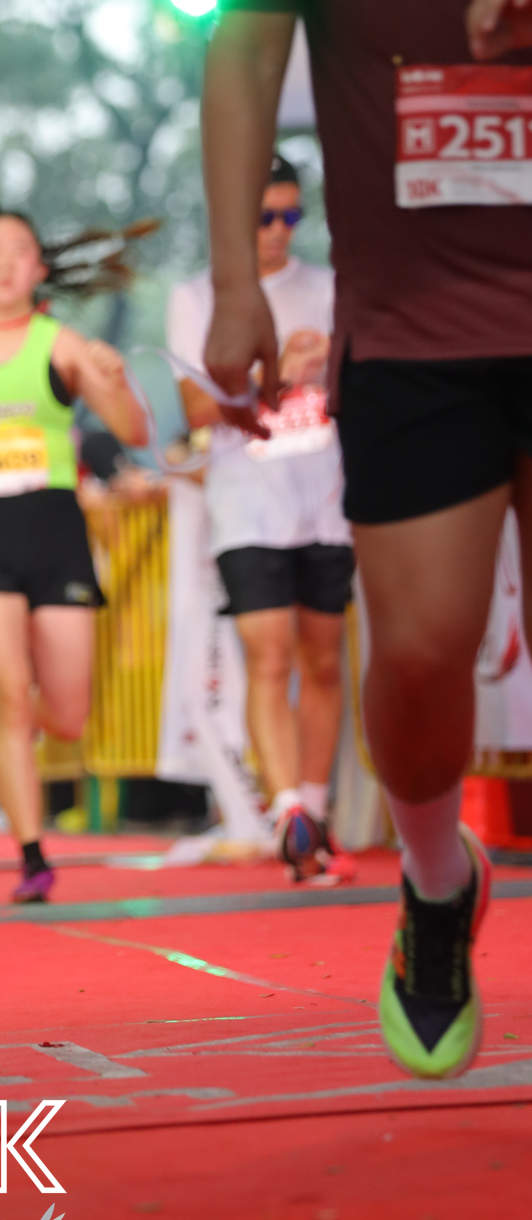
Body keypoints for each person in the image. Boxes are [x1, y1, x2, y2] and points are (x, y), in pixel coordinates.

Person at [202, 0, 532, 1080]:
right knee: (419, 654)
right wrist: (236, 283)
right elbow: (245, 45)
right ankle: (433, 877)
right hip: (418, 320)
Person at [0, 209, 148, 902]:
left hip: (55, 533)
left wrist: (114, 379)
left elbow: (134, 429)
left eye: (20, 249)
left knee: (67, 716)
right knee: (10, 697)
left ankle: (31, 779)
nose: (5, 262)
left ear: (39, 269)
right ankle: (31, 856)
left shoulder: (62, 344)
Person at [167, 154, 354, 881]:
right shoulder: (198, 296)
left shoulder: (329, 288)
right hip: (246, 506)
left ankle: (316, 809)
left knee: (325, 661)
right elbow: (195, 406)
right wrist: (277, 370)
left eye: (291, 216)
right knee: (269, 657)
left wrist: (328, 361)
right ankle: (287, 814)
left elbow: (365, 378)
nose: (278, 231)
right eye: (264, 216)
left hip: (327, 501)